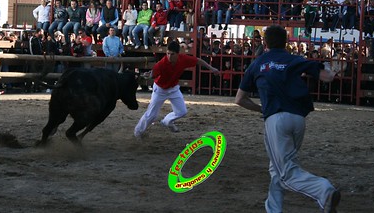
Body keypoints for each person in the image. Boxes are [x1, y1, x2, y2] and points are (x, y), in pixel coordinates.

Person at [234, 24, 340, 213]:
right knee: (278, 166)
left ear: (265, 42)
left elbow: (240, 99)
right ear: (286, 42)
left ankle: (323, 190)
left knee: (286, 173)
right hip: (298, 120)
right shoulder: (293, 59)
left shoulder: (258, 63)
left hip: (275, 120)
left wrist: (262, 110)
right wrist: (332, 72)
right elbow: (327, 76)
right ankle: (273, 209)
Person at [134, 40, 220, 137]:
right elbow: (153, 74)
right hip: (160, 90)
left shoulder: (183, 59)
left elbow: (198, 61)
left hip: (173, 88)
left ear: (177, 54)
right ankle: (138, 132)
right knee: (151, 115)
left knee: (182, 112)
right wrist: (149, 75)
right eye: (168, 53)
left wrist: (212, 68)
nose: (169, 56)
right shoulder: (162, 63)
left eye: (172, 54)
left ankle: (167, 121)